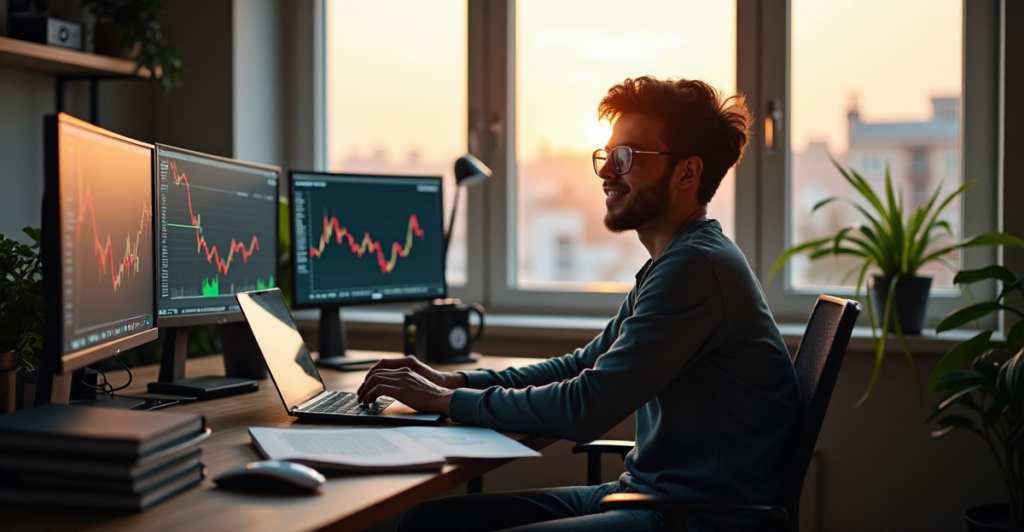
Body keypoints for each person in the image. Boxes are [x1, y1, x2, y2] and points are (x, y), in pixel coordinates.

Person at [357, 76, 800, 532]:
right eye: (607, 155)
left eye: (626, 156)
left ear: (687, 173)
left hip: (691, 517)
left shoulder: (695, 267)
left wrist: (449, 400)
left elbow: (587, 405)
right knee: (429, 522)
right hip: (648, 496)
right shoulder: (676, 259)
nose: (608, 170)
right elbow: (583, 365)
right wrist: (456, 380)